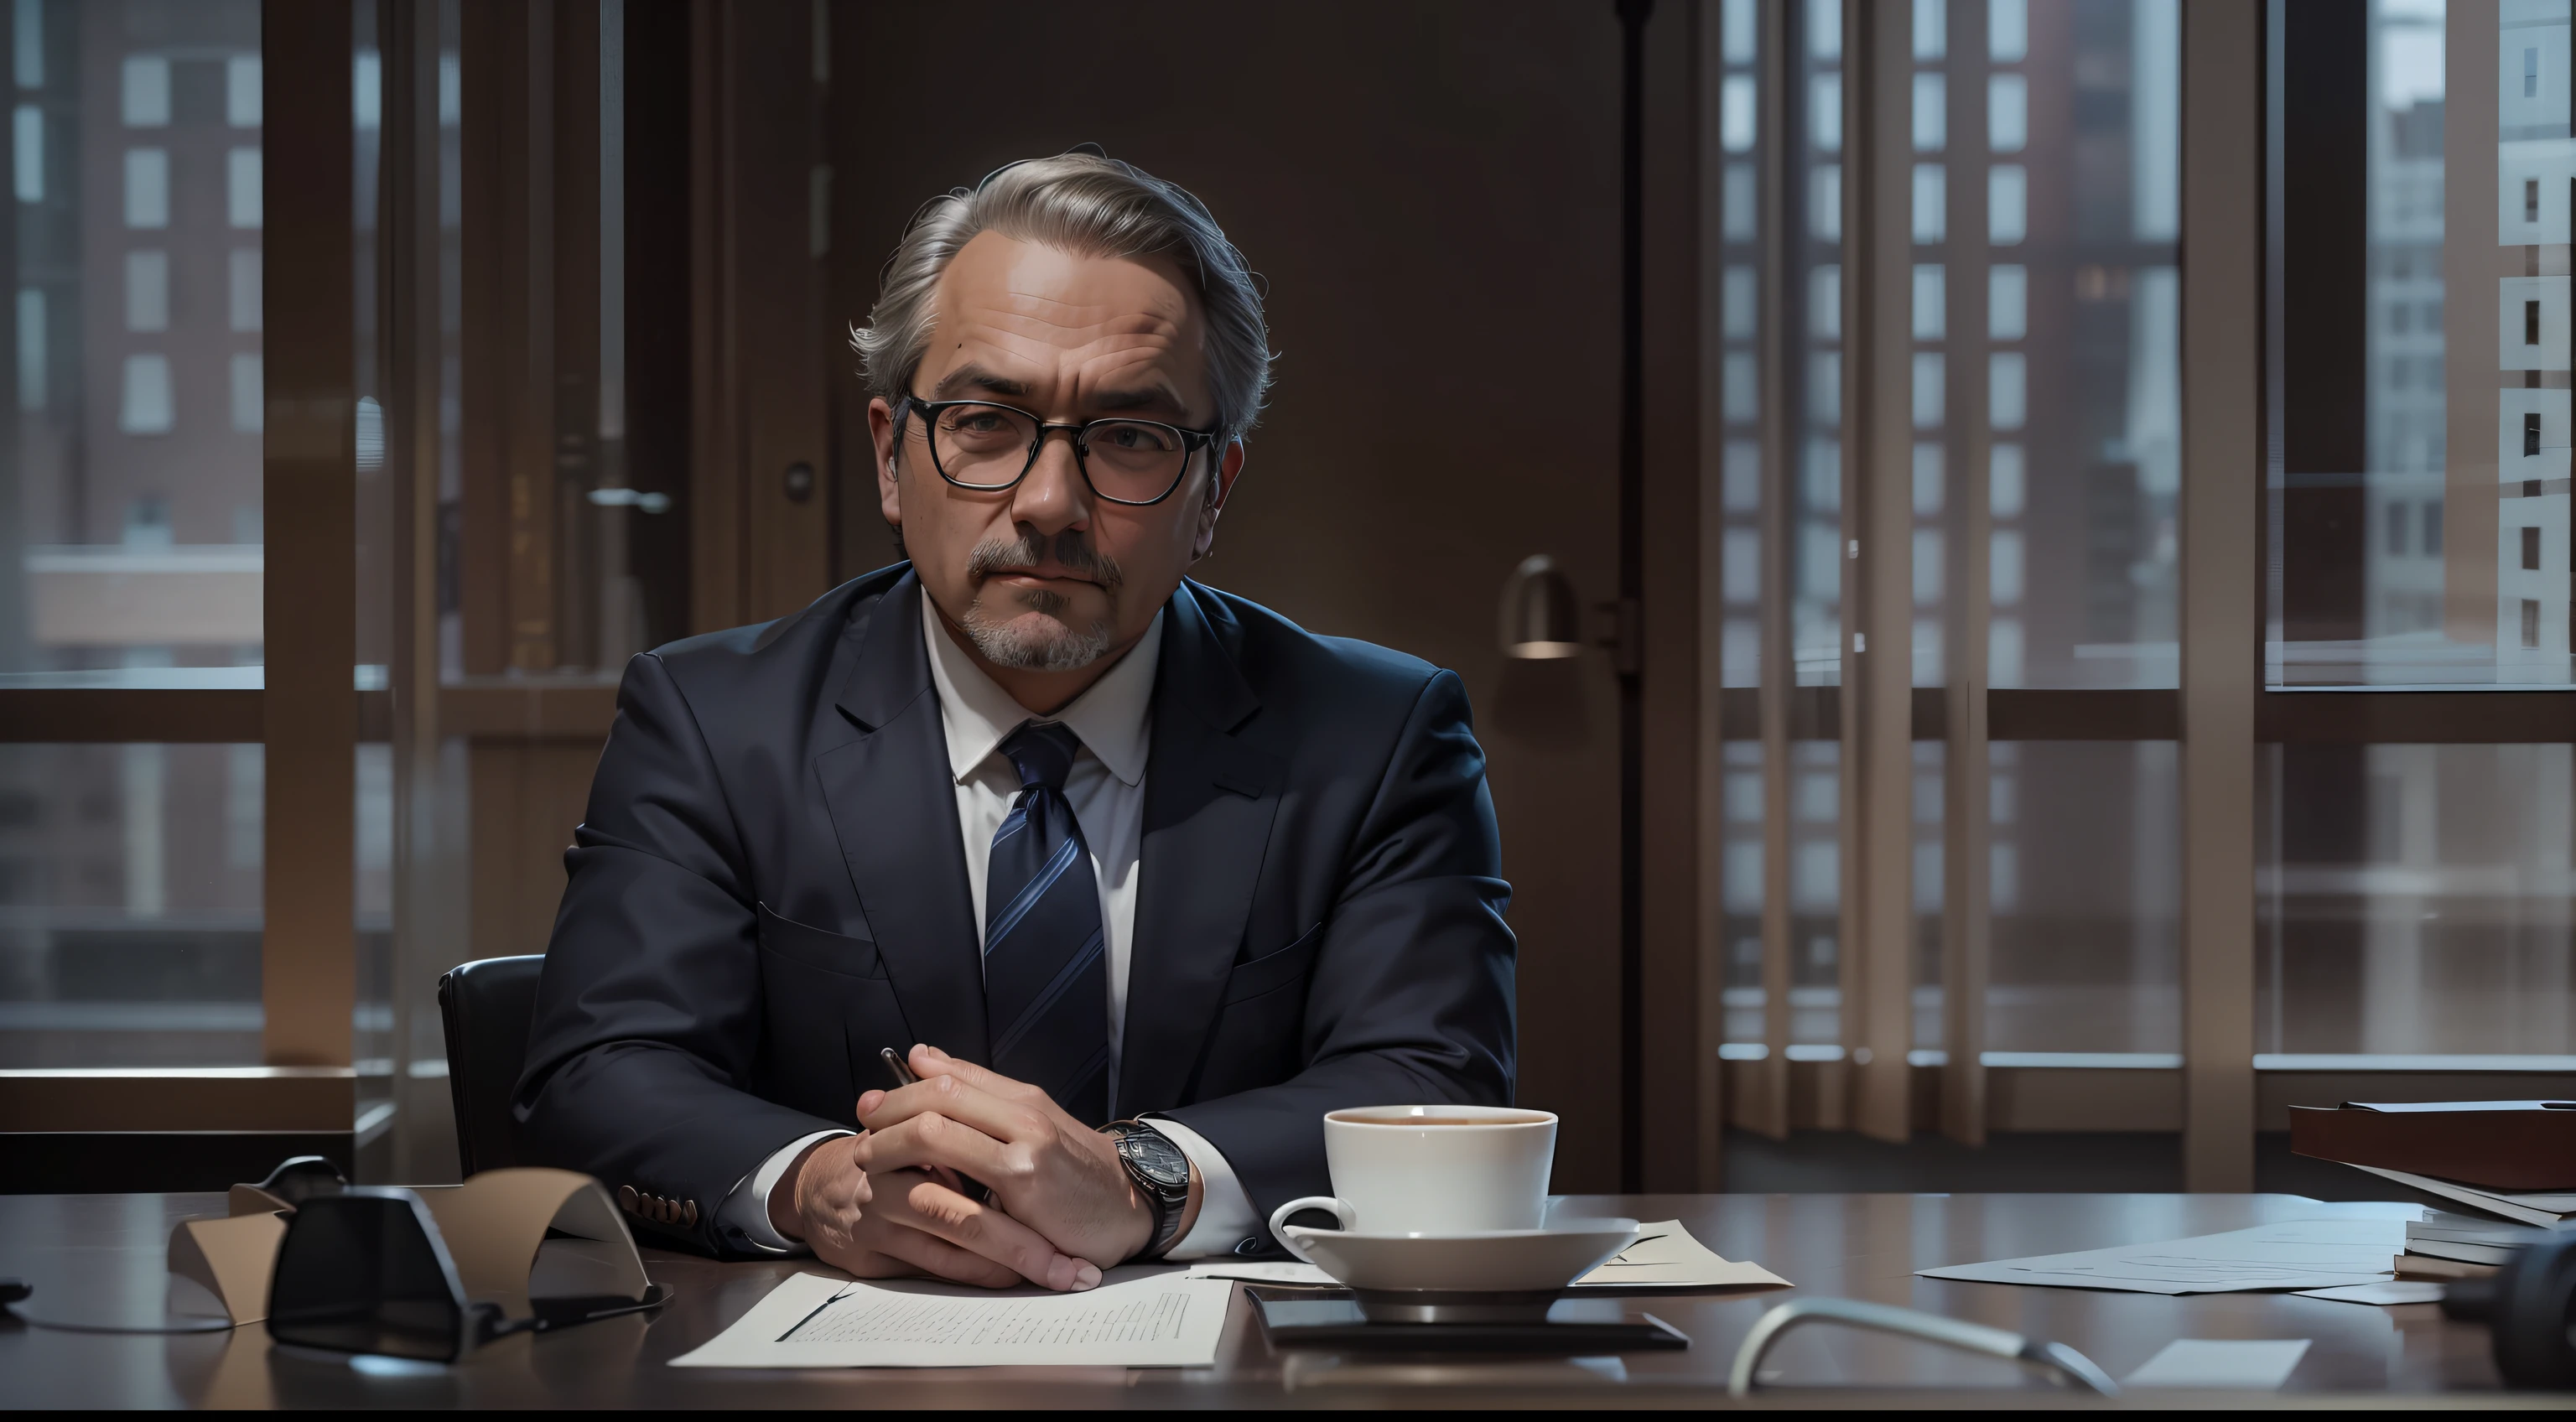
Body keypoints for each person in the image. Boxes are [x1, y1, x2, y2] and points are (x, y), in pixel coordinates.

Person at [514, 149, 1515, 1290]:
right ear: (894, 455)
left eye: (1130, 439)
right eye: (987, 421)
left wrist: (1145, 1180)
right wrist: (818, 1185)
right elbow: (598, 1073)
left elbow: (1435, 1084)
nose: (1048, 504)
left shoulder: (1378, 738)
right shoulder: (712, 721)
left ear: (1214, 494)